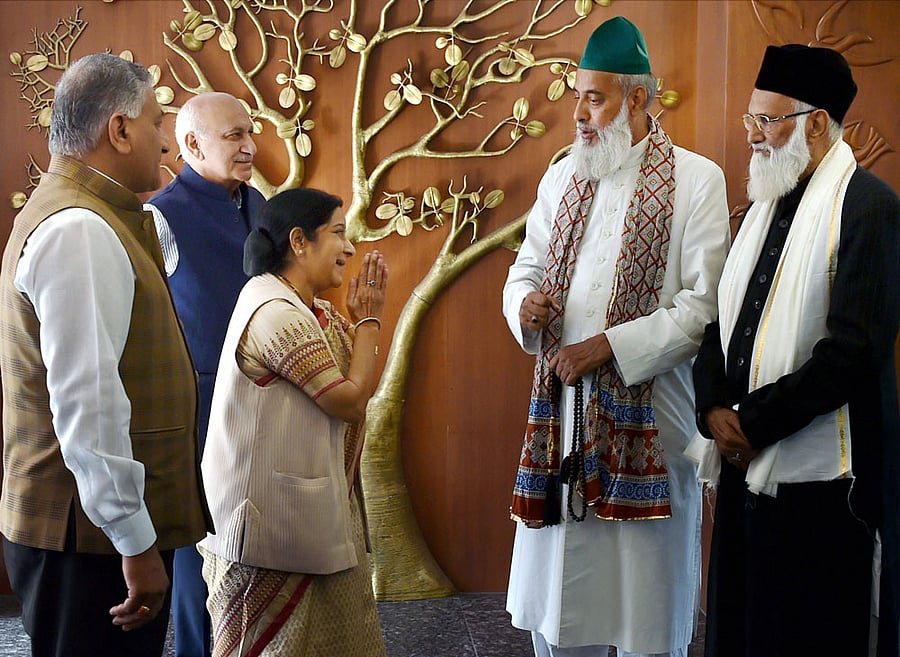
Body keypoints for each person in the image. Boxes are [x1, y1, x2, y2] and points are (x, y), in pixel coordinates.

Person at [502, 16, 730, 657]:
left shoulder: (696, 180)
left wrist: (605, 348)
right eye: (576, 95)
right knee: (563, 612)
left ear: (636, 98)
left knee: (644, 612)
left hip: (650, 426)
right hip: (563, 421)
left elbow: (703, 304)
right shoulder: (562, 177)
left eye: (593, 97)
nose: (577, 112)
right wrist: (525, 307)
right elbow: (524, 268)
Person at [689, 44, 900, 657]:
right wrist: (712, 411)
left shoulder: (871, 209)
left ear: (814, 122)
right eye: (749, 119)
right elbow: (719, 325)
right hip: (742, 470)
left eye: (767, 120)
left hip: (827, 489)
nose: (752, 135)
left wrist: (749, 424)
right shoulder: (763, 205)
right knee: (741, 627)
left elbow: (853, 354)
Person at [0, 53, 210, 656]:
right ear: (118, 130)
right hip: (89, 542)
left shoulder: (89, 214)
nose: (166, 143)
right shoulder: (79, 229)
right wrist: (135, 543)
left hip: (93, 537)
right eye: (155, 122)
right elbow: (88, 408)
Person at [197, 188, 388, 656]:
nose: (349, 248)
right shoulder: (274, 313)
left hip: (308, 519)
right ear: (299, 241)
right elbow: (348, 400)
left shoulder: (308, 309)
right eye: (339, 234)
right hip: (271, 534)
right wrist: (369, 324)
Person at [146, 90, 264, 657]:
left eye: (250, 132)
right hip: (200, 405)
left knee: (257, 541)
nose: (250, 146)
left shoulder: (258, 202)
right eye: (234, 136)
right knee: (200, 549)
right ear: (191, 144)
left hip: (267, 397)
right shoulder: (159, 217)